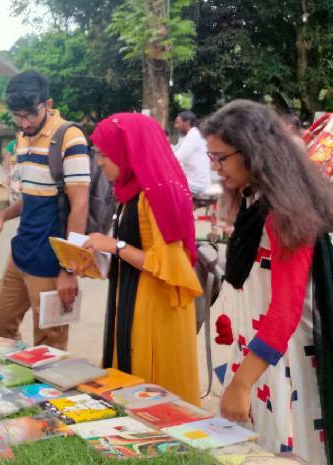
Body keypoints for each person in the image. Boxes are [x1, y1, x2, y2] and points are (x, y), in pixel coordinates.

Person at [203, 100, 333, 464]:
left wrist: (242, 383)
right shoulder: (255, 197)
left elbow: (286, 308)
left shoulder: (283, 210)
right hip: (262, 353)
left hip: (284, 359)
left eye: (220, 158)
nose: (214, 167)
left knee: (287, 448)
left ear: (251, 152)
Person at [82, 113, 202, 405]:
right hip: (132, 295)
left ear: (128, 150)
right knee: (129, 386)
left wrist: (115, 245)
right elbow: (134, 248)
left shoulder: (158, 195)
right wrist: (95, 260)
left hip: (156, 307)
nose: (99, 162)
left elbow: (170, 264)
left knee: (153, 396)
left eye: (104, 154)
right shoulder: (131, 191)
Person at [0, 71, 89, 350]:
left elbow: (80, 205)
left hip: (53, 262)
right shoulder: (22, 138)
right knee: (1, 325)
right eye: (17, 116)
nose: (25, 122)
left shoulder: (70, 137)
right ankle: (19, 372)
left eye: (31, 114)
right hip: (21, 252)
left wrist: (69, 268)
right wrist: (3, 215)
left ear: (48, 103)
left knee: (49, 346)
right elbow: (33, 195)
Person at [172, 111, 211, 194]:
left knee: (163, 186)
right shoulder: (187, 136)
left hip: (195, 184)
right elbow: (173, 152)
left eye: (178, 123)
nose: (176, 126)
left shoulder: (193, 135)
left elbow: (177, 158)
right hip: (190, 181)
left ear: (187, 123)